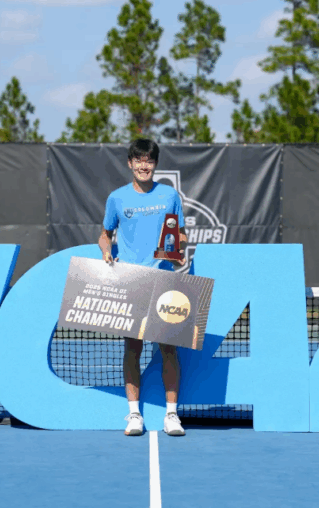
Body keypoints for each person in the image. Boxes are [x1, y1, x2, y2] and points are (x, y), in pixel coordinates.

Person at [98, 138, 188, 437]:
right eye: (138, 160)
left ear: (155, 164)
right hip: (130, 280)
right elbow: (105, 234)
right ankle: (134, 414)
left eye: (149, 160)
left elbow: (181, 235)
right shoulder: (117, 199)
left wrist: (178, 251)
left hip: (164, 281)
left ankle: (172, 416)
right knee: (132, 348)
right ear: (130, 163)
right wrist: (106, 250)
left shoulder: (170, 196)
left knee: (169, 350)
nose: (143, 165)